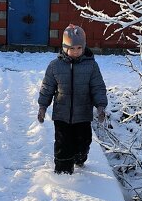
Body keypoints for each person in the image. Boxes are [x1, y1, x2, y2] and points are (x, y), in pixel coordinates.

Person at [37, 24, 107, 174]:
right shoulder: (55, 66)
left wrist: (100, 106)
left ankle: (79, 158)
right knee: (63, 145)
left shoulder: (91, 66)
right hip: (62, 115)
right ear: (64, 48)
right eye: (72, 48)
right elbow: (47, 88)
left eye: (79, 48)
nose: (75, 52)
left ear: (83, 47)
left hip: (83, 114)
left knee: (83, 142)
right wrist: (42, 107)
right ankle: (63, 173)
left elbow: (98, 87)